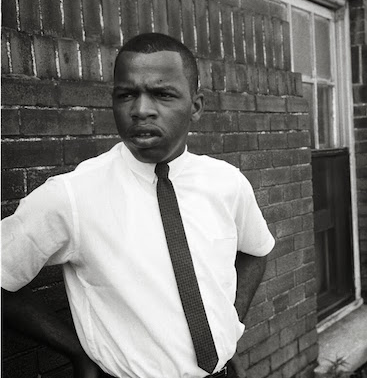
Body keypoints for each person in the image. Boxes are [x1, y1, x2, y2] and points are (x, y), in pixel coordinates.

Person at [1, 33, 275, 378]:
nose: (141, 109)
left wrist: (228, 326)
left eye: (162, 94)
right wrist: (78, 352)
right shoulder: (71, 195)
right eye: (126, 94)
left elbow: (256, 251)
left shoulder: (227, 182)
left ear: (196, 105)